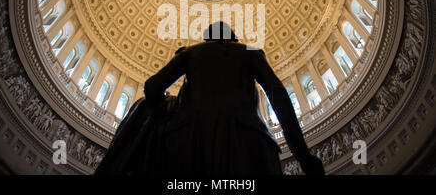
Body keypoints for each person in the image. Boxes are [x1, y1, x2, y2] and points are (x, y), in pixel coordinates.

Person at [95, 21, 324, 175]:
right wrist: (302, 155)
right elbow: (279, 95)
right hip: (249, 142)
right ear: (233, 38)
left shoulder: (191, 52)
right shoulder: (251, 51)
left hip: (191, 143)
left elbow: (152, 87)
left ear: (207, 38)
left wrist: (166, 104)